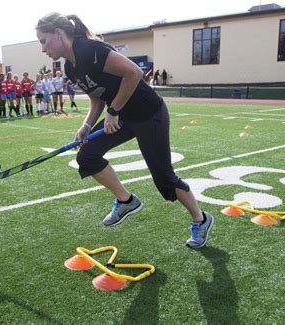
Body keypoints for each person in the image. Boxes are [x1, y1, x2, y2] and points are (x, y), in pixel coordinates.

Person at [36, 12, 214, 248]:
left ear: (58, 34)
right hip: (123, 116)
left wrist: (114, 111)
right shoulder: (70, 67)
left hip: (149, 113)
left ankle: (200, 220)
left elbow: (134, 73)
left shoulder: (90, 50)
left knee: (164, 178)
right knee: (87, 155)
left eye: (43, 41)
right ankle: (126, 200)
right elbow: (96, 98)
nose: (42, 49)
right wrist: (87, 125)